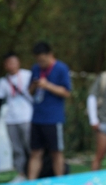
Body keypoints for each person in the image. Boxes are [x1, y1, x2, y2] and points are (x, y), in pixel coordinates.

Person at [27, 41, 71, 179]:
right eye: (38, 60)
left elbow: (66, 92)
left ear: (50, 55)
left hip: (53, 118)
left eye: (43, 60)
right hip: (37, 117)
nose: (40, 63)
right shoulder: (35, 69)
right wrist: (35, 86)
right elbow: (30, 92)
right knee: (35, 152)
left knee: (56, 152)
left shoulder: (61, 68)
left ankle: (60, 181)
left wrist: (47, 85)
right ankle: (31, 181)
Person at [0, 52, 33, 183]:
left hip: (27, 117)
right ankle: (21, 174)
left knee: (30, 147)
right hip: (11, 119)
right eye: (8, 63)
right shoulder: (3, 82)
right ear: (5, 65)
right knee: (17, 148)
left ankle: (34, 173)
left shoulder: (28, 75)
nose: (11, 65)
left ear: (18, 62)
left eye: (13, 62)